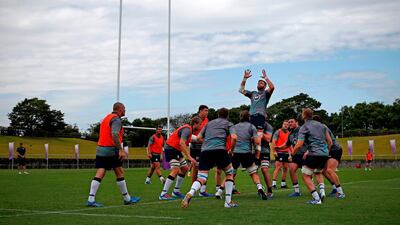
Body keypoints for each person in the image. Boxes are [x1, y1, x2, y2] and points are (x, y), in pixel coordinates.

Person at [182, 108, 238, 208]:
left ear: (217, 115)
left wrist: (208, 143)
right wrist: (232, 150)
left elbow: (198, 137)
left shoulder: (209, 123)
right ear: (227, 116)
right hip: (220, 149)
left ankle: (191, 192)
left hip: (205, 151)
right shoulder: (229, 123)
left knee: (202, 178)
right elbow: (234, 137)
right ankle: (228, 202)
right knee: (230, 173)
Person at [86, 102, 140, 207]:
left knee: (101, 171)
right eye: (124, 108)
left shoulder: (107, 118)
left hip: (101, 149)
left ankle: (91, 199)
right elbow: (114, 134)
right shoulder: (116, 119)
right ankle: (127, 199)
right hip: (110, 150)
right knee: (119, 172)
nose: (125, 110)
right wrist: (120, 149)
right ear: (119, 109)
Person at [292, 108, 332, 205]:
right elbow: (330, 142)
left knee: (305, 174)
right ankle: (322, 191)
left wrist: (292, 154)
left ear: (304, 116)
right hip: (324, 154)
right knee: (318, 172)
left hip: (314, 153)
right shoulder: (322, 126)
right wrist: (326, 152)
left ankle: (316, 199)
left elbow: (299, 144)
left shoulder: (304, 127)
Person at [159, 117, 201, 200]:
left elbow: (196, 139)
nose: (200, 126)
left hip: (175, 149)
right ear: (195, 124)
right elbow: (182, 143)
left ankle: (176, 191)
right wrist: (189, 157)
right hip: (171, 148)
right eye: (200, 124)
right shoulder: (187, 129)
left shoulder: (189, 131)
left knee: (185, 168)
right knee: (175, 169)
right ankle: (163, 194)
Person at [231, 110, 267, 200]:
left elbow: (232, 139)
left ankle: (220, 191)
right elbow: (257, 142)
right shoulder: (251, 127)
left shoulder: (234, 127)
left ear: (240, 117)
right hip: (246, 153)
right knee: (253, 173)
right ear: (249, 117)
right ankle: (259, 187)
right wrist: (254, 138)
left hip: (235, 152)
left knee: (231, 174)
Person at [239, 69, 275, 152]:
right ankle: (250, 154)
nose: (259, 83)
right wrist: (245, 78)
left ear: (265, 86)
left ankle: (257, 155)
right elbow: (241, 90)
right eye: (258, 83)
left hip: (260, 116)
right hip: (250, 117)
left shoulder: (265, 93)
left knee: (258, 136)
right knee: (248, 136)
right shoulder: (253, 93)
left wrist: (265, 77)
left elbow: (272, 87)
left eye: (261, 83)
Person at [312, 115, 345, 198]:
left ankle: (341, 193)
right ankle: (334, 188)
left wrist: (326, 152)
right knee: (323, 171)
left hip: (335, 149)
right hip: (328, 150)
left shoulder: (323, 127)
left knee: (330, 170)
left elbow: (329, 142)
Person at [275, 117, 307, 197]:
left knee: (308, 173)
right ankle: (297, 191)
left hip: (305, 154)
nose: (289, 124)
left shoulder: (302, 130)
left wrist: (308, 151)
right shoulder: (290, 133)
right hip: (296, 155)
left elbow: (305, 143)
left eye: (291, 122)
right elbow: (286, 145)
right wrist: (278, 147)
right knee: (292, 170)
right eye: (289, 122)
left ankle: (333, 188)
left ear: (296, 122)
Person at [189, 105, 213, 197]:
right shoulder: (195, 120)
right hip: (195, 147)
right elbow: (190, 134)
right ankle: (194, 190)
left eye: (207, 111)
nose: (207, 112)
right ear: (200, 111)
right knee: (196, 168)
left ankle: (202, 191)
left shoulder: (207, 121)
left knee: (205, 168)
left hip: (205, 147)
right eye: (205, 110)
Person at [271, 120, 290, 189]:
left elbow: (289, 145)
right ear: (282, 124)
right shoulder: (278, 132)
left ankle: (283, 184)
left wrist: (290, 154)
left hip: (286, 152)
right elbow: (273, 142)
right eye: (284, 124)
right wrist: (274, 151)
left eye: (287, 125)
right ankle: (273, 184)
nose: (285, 125)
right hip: (279, 152)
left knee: (285, 168)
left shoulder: (288, 133)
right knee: (278, 167)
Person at [258, 120, 274, 199]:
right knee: (253, 171)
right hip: (254, 150)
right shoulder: (252, 124)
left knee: (264, 169)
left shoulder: (268, 126)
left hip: (264, 150)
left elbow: (268, 139)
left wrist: (261, 133)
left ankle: (270, 190)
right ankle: (260, 188)